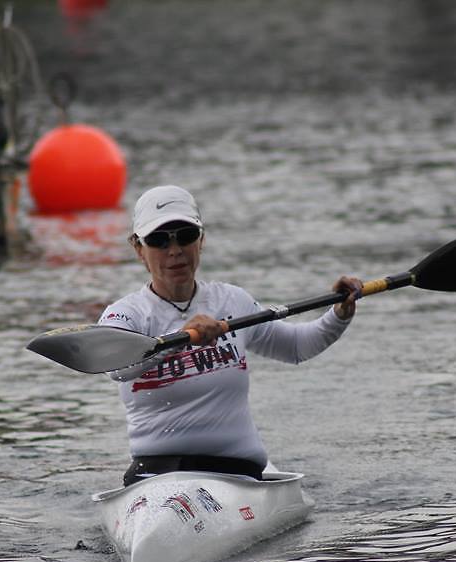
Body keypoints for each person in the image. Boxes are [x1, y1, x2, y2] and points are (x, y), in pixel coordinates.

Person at [97, 185, 362, 486]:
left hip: (236, 473)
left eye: (185, 236)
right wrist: (178, 339)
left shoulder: (231, 302)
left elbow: (296, 347)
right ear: (139, 249)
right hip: (154, 475)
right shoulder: (125, 315)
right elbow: (116, 367)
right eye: (158, 240)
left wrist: (339, 314)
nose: (174, 250)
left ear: (201, 240)